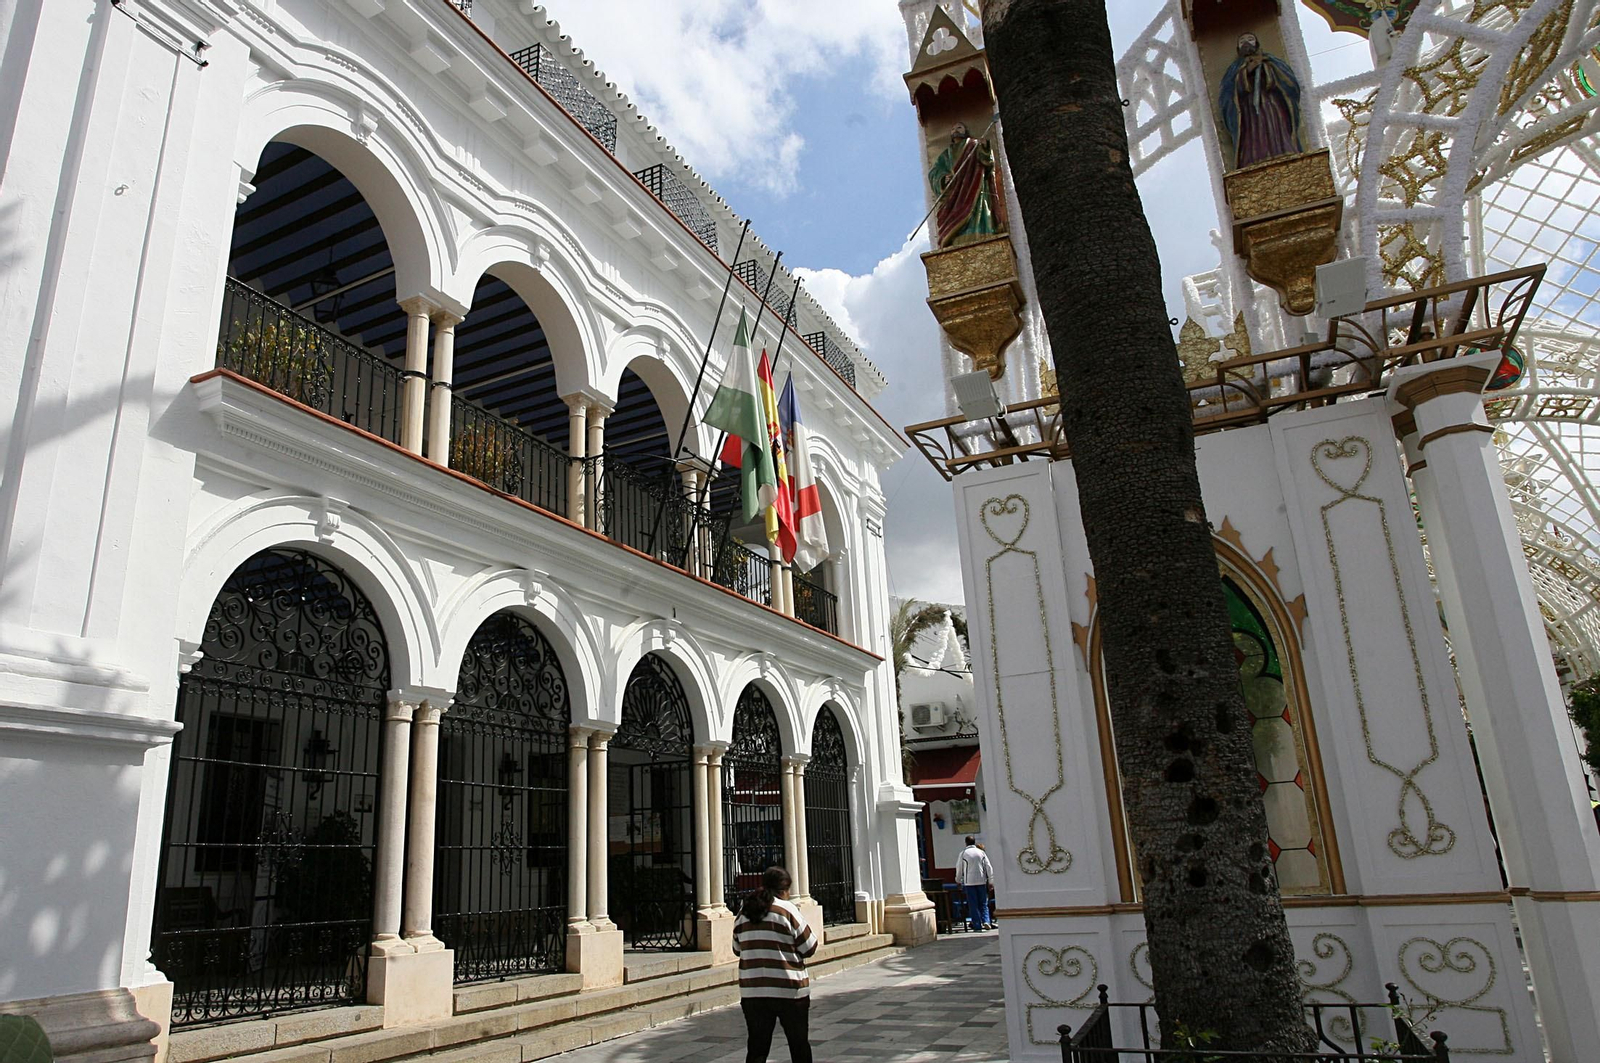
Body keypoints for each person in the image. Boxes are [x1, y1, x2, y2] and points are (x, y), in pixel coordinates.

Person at [733, 866, 818, 1063]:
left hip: (753, 992)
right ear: (785, 889)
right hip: (789, 990)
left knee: (757, 1048)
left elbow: (737, 948)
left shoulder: (744, 912)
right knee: (799, 1046)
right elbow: (809, 946)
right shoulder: (788, 910)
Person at [1218, 32, 1304, 169]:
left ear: (1256, 44)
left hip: (1272, 104)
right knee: (1253, 136)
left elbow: (1289, 84)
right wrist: (1246, 72)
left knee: (1274, 129)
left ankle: (1284, 153)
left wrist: (1266, 69)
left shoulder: (1271, 61)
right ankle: (1253, 161)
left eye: (1250, 39)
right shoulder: (1234, 69)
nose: (1246, 43)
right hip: (1248, 111)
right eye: (1242, 41)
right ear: (1238, 48)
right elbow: (1226, 94)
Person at [955, 836, 995, 931]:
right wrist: (991, 881)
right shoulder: (981, 853)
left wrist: (958, 880)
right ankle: (986, 921)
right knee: (983, 903)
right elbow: (988, 867)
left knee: (973, 904)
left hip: (969, 882)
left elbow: (959, 868)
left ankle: (977, 925)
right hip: (981, 880)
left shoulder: (963, 853)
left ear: (966, 843)